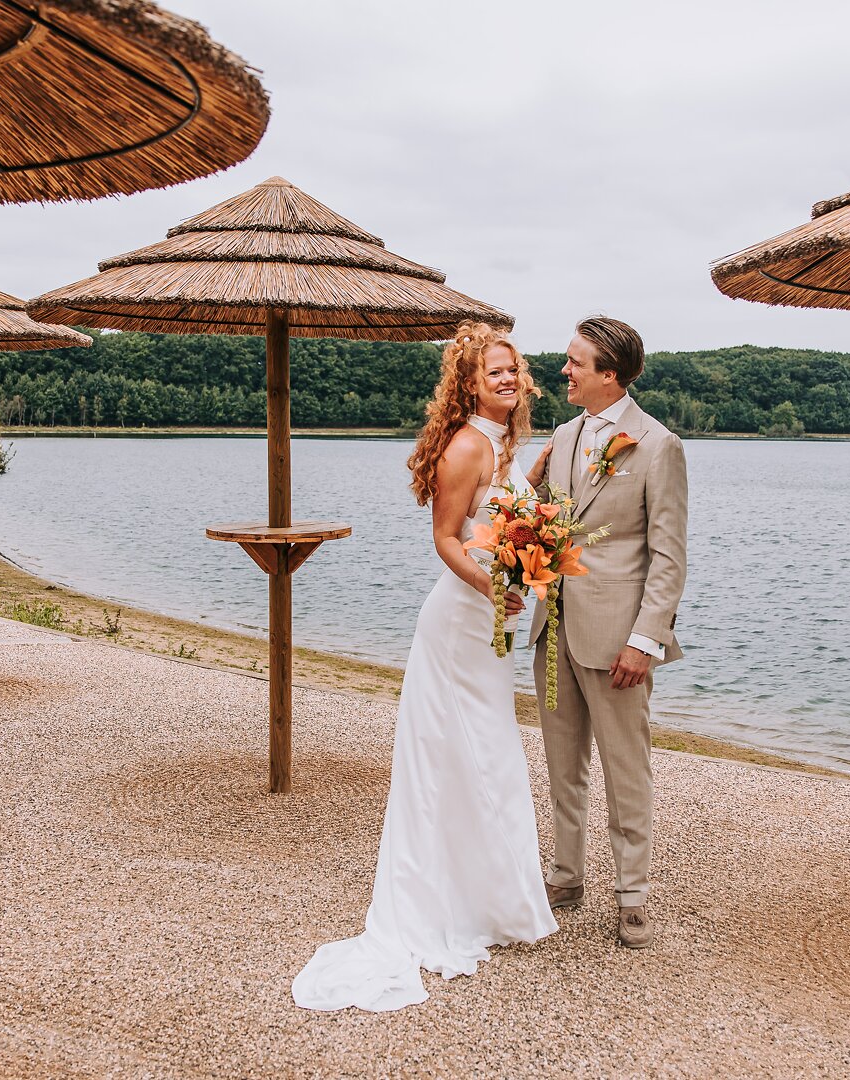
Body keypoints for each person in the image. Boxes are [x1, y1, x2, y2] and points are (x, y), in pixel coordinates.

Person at [292, 321, 556, 1012]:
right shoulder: (468, 445)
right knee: (464, 756)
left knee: (485, 756)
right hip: (461, 624)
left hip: (489, 626)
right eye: (491, 372)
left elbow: (491, 518)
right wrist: (497, 588)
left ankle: (486, 898)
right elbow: (445, 539)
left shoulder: (503, 447)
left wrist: (534, 507)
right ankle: (453, 904)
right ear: (468, 384)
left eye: (512, 370)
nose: (504, 379)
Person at [525, 316, 688, 949]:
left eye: (575, 363)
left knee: (627, 771)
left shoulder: (658, 445)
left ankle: (633, 900)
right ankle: (565, 879)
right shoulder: (563, 436)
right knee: (562, 766)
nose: (563, 371)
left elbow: (668, 556)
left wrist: (645, 641)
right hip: (554, 628)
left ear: (609, 374)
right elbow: (547, 526)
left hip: (619, 638)